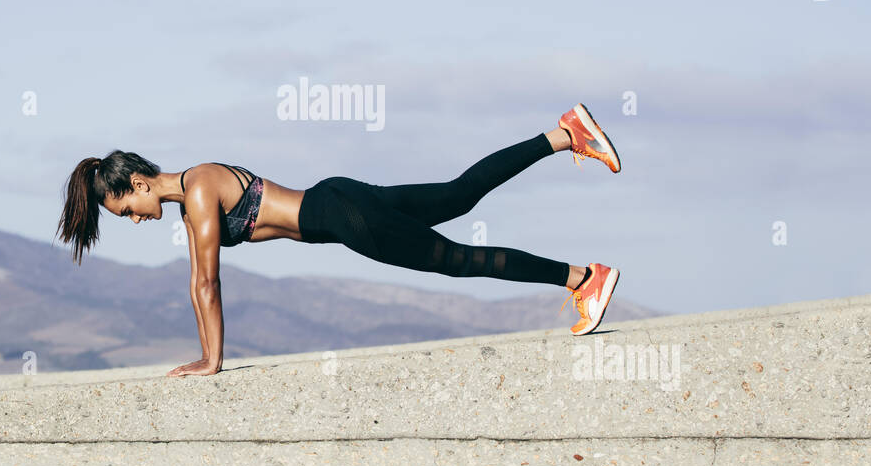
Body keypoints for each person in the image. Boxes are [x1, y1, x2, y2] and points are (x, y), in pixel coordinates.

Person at [56, 103, 621, 377]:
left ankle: (581, 278)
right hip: (337, 201)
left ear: (136, 184)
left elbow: (205, 282)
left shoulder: (199, 191)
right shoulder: (192, 201)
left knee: (456, 259)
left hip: (344, 218)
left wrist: (212, 360)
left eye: (126, 208)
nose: (133, 219)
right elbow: (196, 284)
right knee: (455, 197)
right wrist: (209, 353)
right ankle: (565, 133)